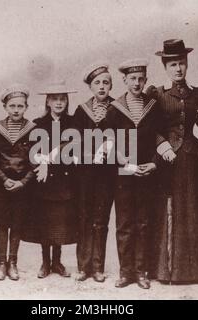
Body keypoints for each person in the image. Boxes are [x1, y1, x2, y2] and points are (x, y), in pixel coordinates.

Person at [146, 39, 198, 284]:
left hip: (191, 158)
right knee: (167, 208)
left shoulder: (197, 93)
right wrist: (161, 143)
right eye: (173, 64)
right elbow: (147, 126)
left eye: (182, 63)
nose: (178, 69)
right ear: (165, 66)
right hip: (166, 159)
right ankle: (164, 270)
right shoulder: (156, 94)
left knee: (191, 210)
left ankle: (193, 270)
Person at [104, 59, 165, 289]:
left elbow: (161, 136)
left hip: (147, 174)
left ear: (146, 80)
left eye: (141, 79)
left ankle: (141, 272)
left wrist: (154, 164)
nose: (137, 83)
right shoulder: (115, 109)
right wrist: (124, 162)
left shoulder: (153, 106)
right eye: (132, 79)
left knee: (143, 223)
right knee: (125, 224)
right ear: (124, 80)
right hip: (123, 175)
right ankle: (125, 272)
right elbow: (108, 142)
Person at [23, 80, 78, 279]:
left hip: (64, 181)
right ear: (47, 102)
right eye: (54, 99)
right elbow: (30, 152)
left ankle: (57, 262)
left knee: (60, 223)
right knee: (45, 223)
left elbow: (73, 147)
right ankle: (45, 262)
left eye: (62, 99)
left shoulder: (73, 123)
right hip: (44, 182)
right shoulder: (38, 125)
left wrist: (49, 159)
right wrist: (41, 162)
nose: (59, 103)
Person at [0, 85, 36, 281]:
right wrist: (4, 179)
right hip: (2, 185)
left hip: (22, 186)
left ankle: (13, 263)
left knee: (17, 223)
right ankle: (1, 263)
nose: (16, 110)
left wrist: (23, 182)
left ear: (26, 107)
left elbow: (36, 161)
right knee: (2, 224)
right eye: (12, 106)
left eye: (20, 106)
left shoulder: (33, 130)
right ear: (5, 107)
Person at [73, 63, 115, 282]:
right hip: (86, 173)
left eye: (106, 83)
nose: (101, 87)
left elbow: (123, 138)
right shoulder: (82, 110)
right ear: (90, 87)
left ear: (111, 86)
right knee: (84, 217)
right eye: (97, 83)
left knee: (101, 219)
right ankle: (83, 266)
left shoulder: (118, 107)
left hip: (108, 175)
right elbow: (75, 141)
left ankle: (98, 267)